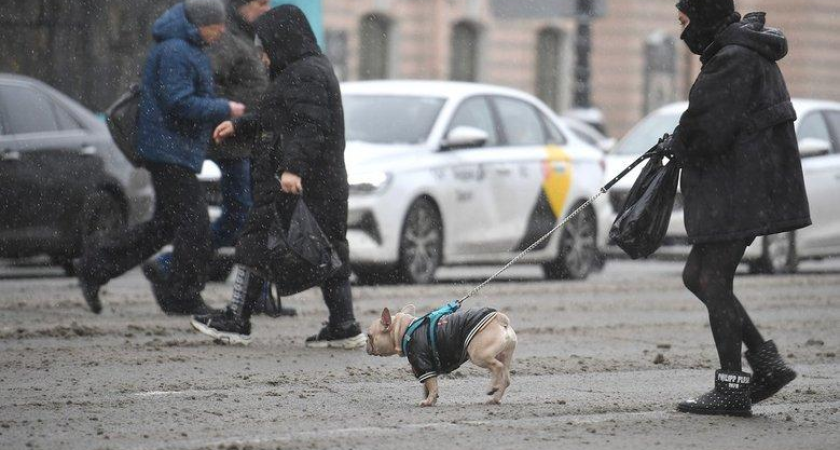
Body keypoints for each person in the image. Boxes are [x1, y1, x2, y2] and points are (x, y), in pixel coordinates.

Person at [662, 0, 811, 416]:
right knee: (699, 275)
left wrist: (679, 143)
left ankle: (733, 385)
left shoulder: (733, 59)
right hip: (746, 185)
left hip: (740, 187)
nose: (682, 31)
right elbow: (711, 120)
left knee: (710, 278)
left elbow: (709, 129)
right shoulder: (740, 52)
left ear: (704, 17)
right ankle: (766, 364)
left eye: (685, 21)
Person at [190, 5, 365, 348]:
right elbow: (274, 115)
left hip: (297, 184)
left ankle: (236, 320)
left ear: (283, 41)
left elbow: (310, 128)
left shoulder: (305, 74)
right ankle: (344, 325)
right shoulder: (304, 70)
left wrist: (292, 170)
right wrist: (239, 126)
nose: (262, 56)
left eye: (265, 47)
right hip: (320, 185)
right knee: (329, 249)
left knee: (256, 241)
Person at [74, 0, 245, 315]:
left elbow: (185, 100)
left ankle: (96, 266)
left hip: (174, 150)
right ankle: (182, 295)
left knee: (166, 225)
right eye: (216, 24)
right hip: (167, 152)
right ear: (198, 23)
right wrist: (225, 108)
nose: (221, 30)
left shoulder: (186, 49)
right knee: (196, 225)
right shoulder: (175, 52)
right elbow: (178, 102)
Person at [143, 0, 293, 316]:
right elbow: (207, 88)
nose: (266, 9)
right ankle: (171, 265)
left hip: (253, 140)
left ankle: (259, 292)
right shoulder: (222, 39)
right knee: (241, 215)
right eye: (260, 3)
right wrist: (232, 112)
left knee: (258, 217)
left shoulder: (249, 35)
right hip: (234, 144)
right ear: (241, 7)